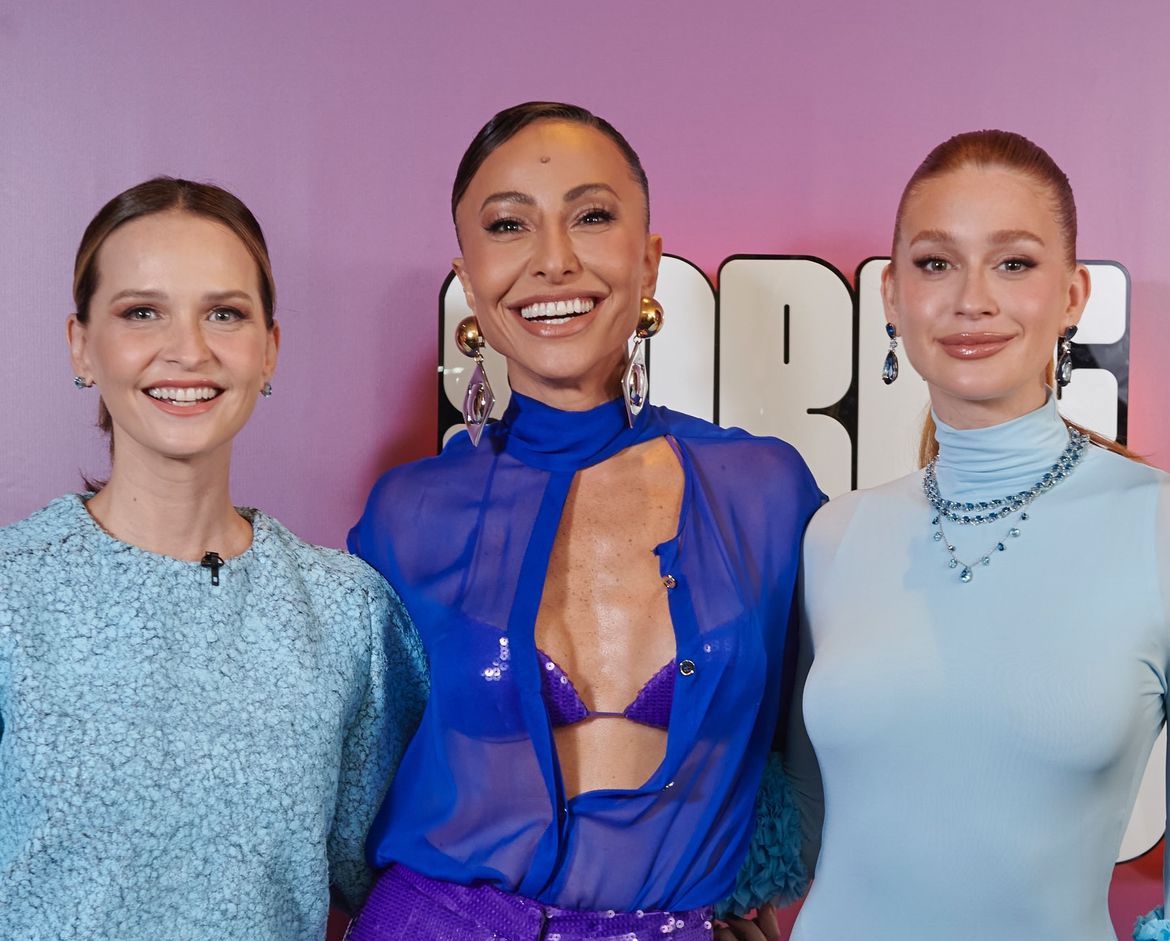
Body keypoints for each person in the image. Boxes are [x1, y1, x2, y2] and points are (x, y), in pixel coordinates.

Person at [346, 102, 823, 941]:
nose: (552, 260)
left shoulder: (765, 491)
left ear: (648, 260)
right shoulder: (405, 514)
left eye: (592, 217)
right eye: (509, 226)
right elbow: (350, 786)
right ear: (468, 274)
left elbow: (817, 750)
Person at [0, 178, 427, 941]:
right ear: (81, 344)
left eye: (224, 313)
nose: (188, 350)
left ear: (269, 348)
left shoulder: (347, 615)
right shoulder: (9, 594)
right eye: (141, 312)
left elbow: (396, 884)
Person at [787, 130, 1170, 941]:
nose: (971, 298)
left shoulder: (1157, 527)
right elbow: (811, 831)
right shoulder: (832, 537)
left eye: (1014, 263)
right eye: (935, 262)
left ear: (1073, 296)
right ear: (891, 296)